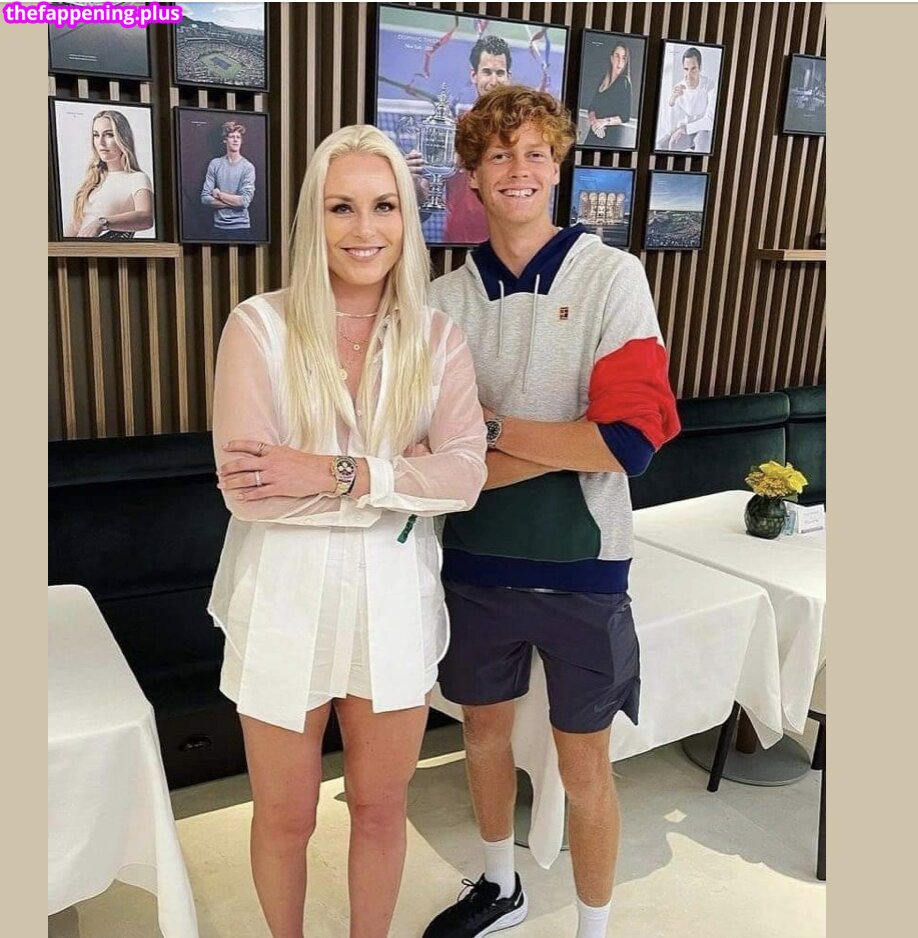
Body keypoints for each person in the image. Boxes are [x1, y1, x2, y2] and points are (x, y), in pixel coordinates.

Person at [207, 124, 487, 938]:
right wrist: (403, 478)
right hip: (282, 599)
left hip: (394, 599)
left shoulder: (438, 339)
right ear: (314, 218)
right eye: (342, 207)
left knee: (380, 806)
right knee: (284, 816)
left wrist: (334, 473)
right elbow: (251, 495)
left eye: (384, 206)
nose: (365, 229)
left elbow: (465, 477)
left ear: (407, 217)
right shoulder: (258, 327)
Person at [422, 86, 680, 938]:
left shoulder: (612, 278)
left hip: (584, 568)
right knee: (482, 739)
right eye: (499, 155)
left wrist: (490, 432)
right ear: (473, 175)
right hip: (474, 566)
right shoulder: (442, 303)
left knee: (585, 768)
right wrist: (563, 439)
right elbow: (438, 464)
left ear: (559, 164)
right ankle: (501, 887)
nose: (518, 169)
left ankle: (593, 930)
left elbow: (629, 443)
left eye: (535, 151)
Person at [406, 33, 513, 244]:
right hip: (458, 246)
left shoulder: (523, 133)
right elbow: (424, 211)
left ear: (508, 76)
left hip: (508, 247)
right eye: (487, 72)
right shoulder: (453, 130)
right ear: (474, 75)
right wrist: (413, 181)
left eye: (500, 73)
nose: (494, 81)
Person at [63, 109, 154, 240]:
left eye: (109, 135)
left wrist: (102, 223)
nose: (101, 142)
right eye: (96, 135)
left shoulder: (137, 178)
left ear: (123, 138)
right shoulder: (94, 179)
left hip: (105, 250)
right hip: (77, 249)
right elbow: (77, 225)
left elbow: (146, 218)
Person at [200, 120, 257, 239]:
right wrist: (234, 202)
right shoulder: (215, 164)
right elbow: (205, 198)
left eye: (238, 137)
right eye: (232, 137)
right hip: (218, 227)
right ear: (225, 140)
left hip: (241, 228)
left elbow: (244, 202)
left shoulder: (248, 167)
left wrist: (219, 195)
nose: (235, 140)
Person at [656, 46, 717, 153]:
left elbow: (710, 120)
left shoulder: (710, 86)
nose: (689, 74)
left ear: (700, 68)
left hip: (703, 131)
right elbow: (670, 126)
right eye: (686, 69)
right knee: (662, 145)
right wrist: (672, 101)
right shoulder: (678, 88)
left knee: (702, 140)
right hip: (686, 132)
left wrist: (685, 128)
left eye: (693, 69)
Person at [583, 43, 632, 147]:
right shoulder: (604, 79)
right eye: (617, 56)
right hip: (595, 131)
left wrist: (603, 122)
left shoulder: (624, 82)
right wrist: (594, 123)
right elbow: (592, 107)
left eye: (623, 58)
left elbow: (625, 116)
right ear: (611, 58)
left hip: (609, 136)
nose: (620, 61)